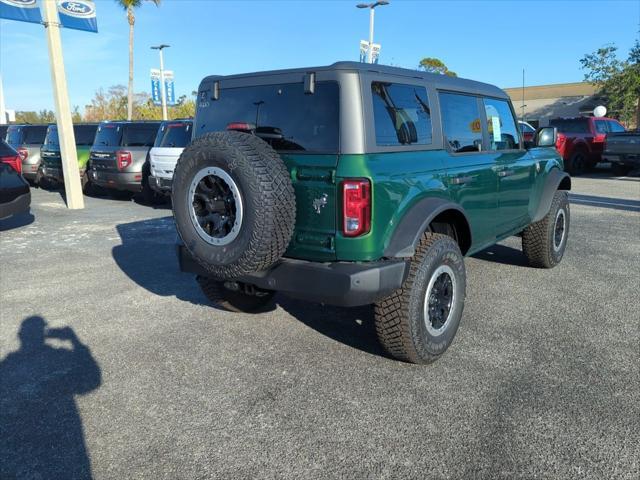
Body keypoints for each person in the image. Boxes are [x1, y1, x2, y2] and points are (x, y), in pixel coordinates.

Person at [0, 316, 101, 480]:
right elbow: (92, 380)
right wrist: (74, 339)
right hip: (61, 444)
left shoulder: (8, 364)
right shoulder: (58, 356)